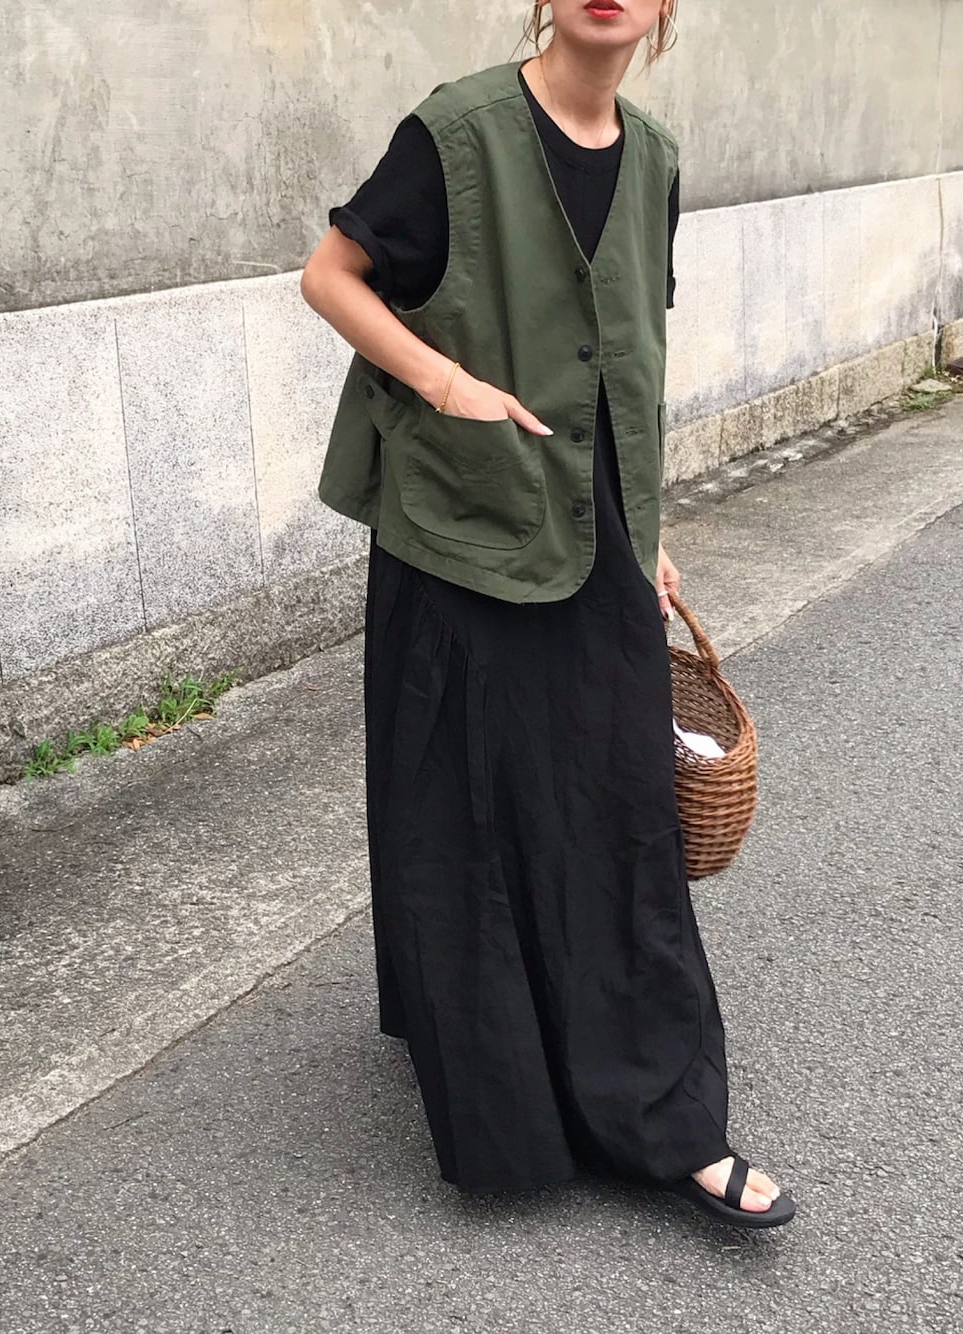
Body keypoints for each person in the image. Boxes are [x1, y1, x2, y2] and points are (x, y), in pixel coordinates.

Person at [301, 0, 796, 1230]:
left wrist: (650, 531)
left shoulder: (656, 158)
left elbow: (620, 357)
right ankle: (497, 1090)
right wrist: (447, 381)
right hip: (458, 523)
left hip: (594, 528)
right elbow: (331, 276)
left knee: (619, 808)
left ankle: (666, 1119)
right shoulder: (455, 132)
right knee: (464, 807)